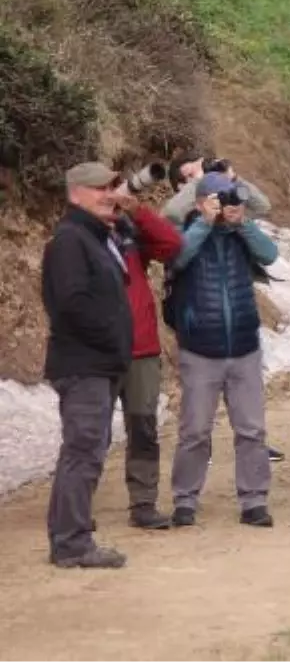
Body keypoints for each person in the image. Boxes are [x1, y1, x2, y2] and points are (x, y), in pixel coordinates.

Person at [166, 173, 279, 527]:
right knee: (195, 430)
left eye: (227, 198)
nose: (224, 204)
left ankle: (254, 500)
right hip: (200, 347)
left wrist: (241, 223)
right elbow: (176, 259)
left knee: (251, 429)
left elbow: (270, 254)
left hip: (244, 345)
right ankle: (185, 499)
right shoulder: (186, 230)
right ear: (199, 202)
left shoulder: (239, 232)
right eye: (215, 198)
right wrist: (204, 222)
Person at [41, 163, 133, 568]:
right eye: (99, 189)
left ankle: (71, 534)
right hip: (84, 364)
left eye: (112, 187)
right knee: (83, 451)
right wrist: (110, 340)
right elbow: (71, 304)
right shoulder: (70, 240)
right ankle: (72, 542)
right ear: (75, 192)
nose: (109, 194)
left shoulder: (96, 237)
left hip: (97, 362)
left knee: (87, 450)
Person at [112, 185, 183, 529]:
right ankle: (76, 507)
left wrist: (137, 211)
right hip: (101, 350)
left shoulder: (129, 234)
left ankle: (143, 503)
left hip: (141, 348)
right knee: (91, 432)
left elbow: (171, 244)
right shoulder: (81, 237)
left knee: (143, 428)